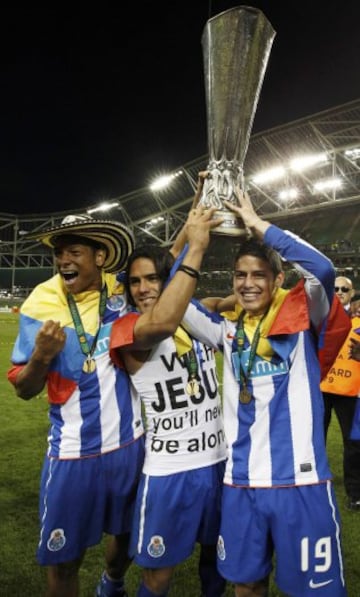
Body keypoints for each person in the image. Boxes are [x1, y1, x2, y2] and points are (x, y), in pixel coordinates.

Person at [179, 190, 350, 596]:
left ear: (276, 281)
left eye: (259, 275)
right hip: (241, 484)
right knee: (245, 585)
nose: (248, 283)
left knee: (314, 591)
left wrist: (260, 227)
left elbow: (321, 269)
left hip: (301, 484)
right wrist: (195, 239)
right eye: (241, 275)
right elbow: (176, 294)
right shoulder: (225, 331)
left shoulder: (303, 321)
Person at [7, 215, 145, 597]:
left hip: (129, 444)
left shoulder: (121, 286)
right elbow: (23, 389)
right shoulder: (40, 302)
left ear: (100, 257)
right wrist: (40, 356)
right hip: (73, 454)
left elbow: (164, 265)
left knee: (128, 537)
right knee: (64, 561)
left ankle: (112, 584)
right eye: (59, 253)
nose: (64, 260)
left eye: (74, 252)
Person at [109, 207, 227, 597]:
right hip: (168, 472)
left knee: (218, 566)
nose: (143, 288)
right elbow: (164, 315)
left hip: (219, 464)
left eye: (153, 279)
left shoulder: (197, 316)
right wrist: (195, 246)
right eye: (135, 282)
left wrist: (200, 201)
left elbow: (203, 300)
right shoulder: (128, 331)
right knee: (158, 577)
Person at [321, 276, 360, 511]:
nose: (339, 292)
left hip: (349, 392)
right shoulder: (319, 316)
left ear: (352, 292)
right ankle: (315, 484)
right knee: (315, 440)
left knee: (354, 443)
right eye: (334, 289)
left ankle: (355, 492)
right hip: (321, 389)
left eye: (344, 289)